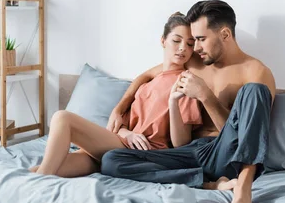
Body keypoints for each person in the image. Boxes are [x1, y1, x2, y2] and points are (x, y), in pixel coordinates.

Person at [101, 0, 276, 203]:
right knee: (112, 160)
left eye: (200, 39)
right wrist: (119, 108)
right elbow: (147, 74)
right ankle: (205, 183)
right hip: (190, 152)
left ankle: (243, 187)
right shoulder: (197, 60)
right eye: (194, 41)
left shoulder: (255, 72)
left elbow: (246, 137)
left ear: (225, 35)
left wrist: (205, 96)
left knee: (254, 90)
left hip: (224, 152)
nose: (196, 48)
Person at [30, 12, 204, 177]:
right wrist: (127, 133)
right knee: (37, 170)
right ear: (163, 41)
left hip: (141, 152)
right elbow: (118, 126)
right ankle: (40, 180)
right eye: (176, 40)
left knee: (62, 118)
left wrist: (173, 103)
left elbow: (181, 144)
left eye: (189, 44)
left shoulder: (185, 84)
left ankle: (40, 182)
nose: (183, 48)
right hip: (119, 144)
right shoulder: (150, 80)